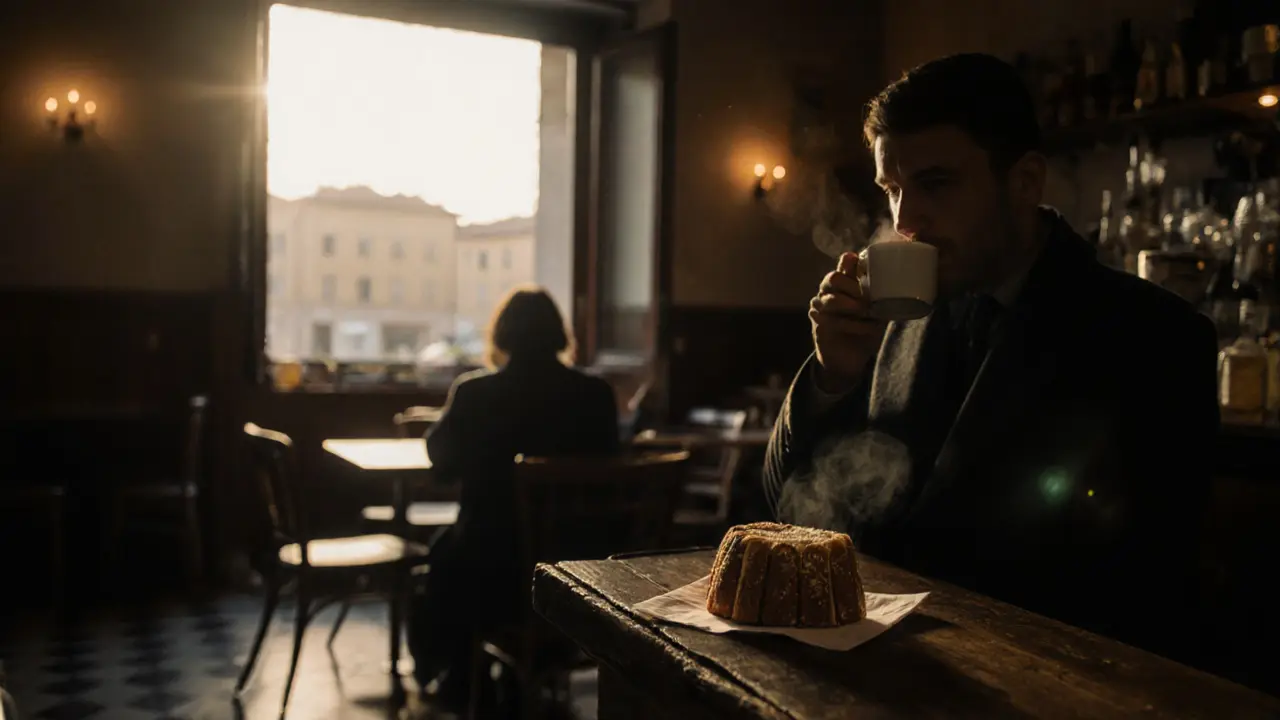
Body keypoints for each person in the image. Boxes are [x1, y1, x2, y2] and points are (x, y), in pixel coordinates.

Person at [763, 54, 1219, 664]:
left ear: (1025, 183)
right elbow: (792, 513)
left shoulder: (1153, 336)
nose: (905, 220)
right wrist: (832, 379)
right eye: (893, 190)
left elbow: (1144, 591)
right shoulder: (894, 323)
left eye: (936, 184)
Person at [406, 286, 619, 709]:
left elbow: (440, 461)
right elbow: (612, 471)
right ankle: (535, 663)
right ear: (558, 334)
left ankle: (459, 674)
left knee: (445, 551)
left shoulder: (475, 395)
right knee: (450, 548)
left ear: (502, 335)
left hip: (493, 573)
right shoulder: (596, 397)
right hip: (583, 572)